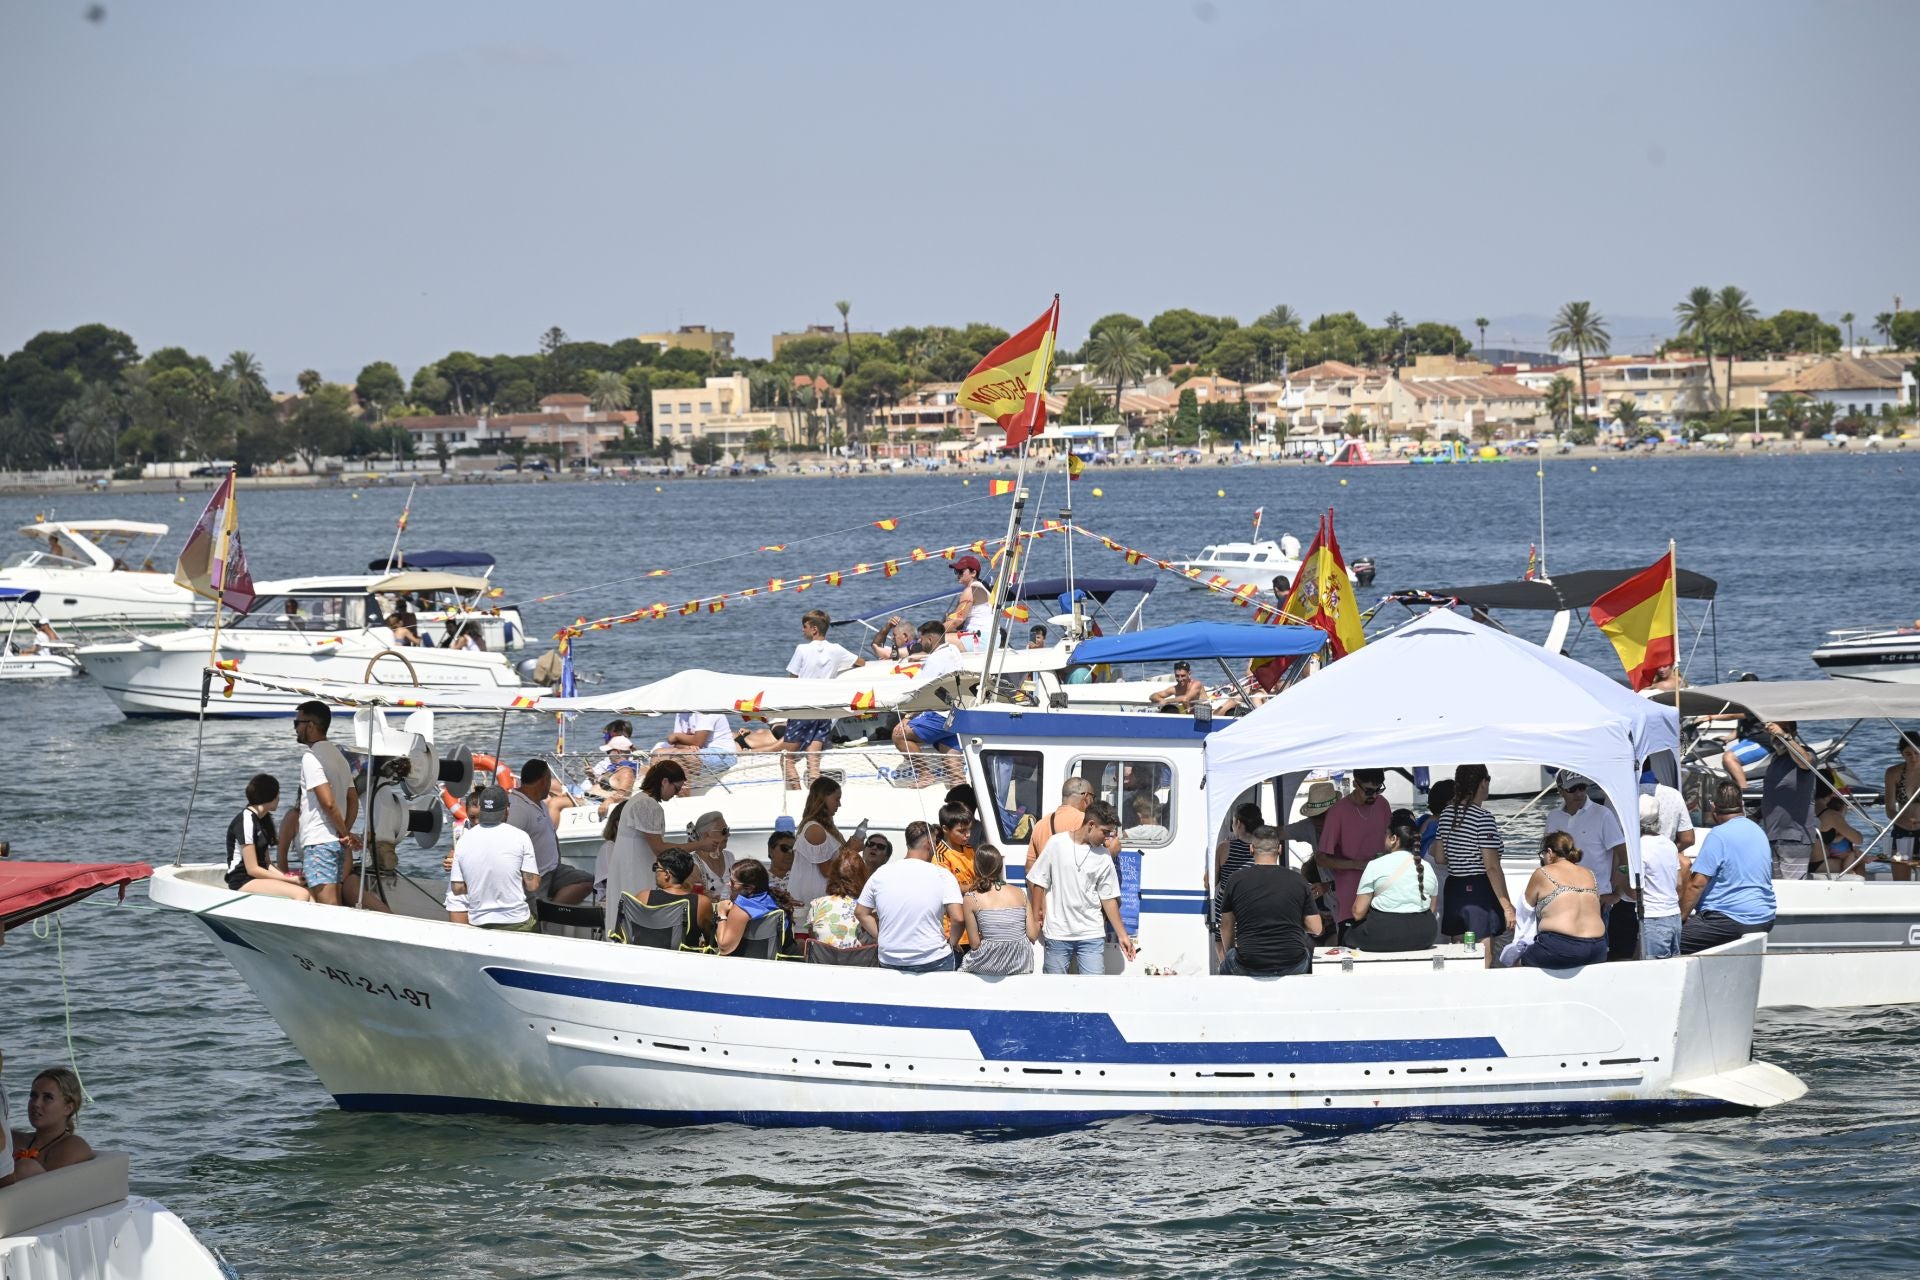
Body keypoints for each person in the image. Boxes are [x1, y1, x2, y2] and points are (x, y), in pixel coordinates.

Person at [1029, 800, 1135, 974]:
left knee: (1093, 990)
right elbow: (1039, 881)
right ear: (1091, 825)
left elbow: (1108, 899)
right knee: (1054, 990)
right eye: (1105, 832)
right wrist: (1036, 916)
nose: (1107, 838)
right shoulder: (1056, 843)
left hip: (1091, 934)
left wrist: (1122, 935)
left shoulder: (1103, 855)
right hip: (1058, 933)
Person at [1680, 781, 1778, 953]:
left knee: (1668, 942)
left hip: (1729, 919)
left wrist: (1681, 918)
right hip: (1764, 917)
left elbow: (1697, 884)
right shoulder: (1758, 831)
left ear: (1713, 806)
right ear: (1742, 805)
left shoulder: (1718, 835)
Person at [856, 821, 966, 972]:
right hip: (933, 959)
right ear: (929, 843)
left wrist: (880, 937)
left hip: (890, 959)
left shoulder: (881, 874)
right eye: (935, 842)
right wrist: (952, 944)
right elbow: (958, 919)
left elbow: (861, 912)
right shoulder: (942, 875)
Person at [1435, 764, 1515, 962]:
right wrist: (1507, 907)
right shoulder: (1483, 818)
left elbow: (1439, 857)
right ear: (1483, 783)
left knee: (1460, 954)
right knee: (1482, 953)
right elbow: (1492, 867)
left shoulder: (1446, 815)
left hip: (1454, 889)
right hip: (1478, 890)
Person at [1218, 826, 1321, 976]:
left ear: (1251, 849)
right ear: (1279, 849)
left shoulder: (1235, 880)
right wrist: (1290, 925)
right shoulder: (1298, 881)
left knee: (1227, 960)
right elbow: (1316, 928)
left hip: (1248, 964)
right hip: (1293, 964)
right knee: (1306, 954)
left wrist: (1231, 952)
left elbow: (1226, 925)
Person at [782, 608, 865, 789]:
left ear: (814, 629)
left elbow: (792, 681)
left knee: (787, 759)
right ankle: (814, 798)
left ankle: (796, 796)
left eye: (804, 627)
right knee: (814, 764)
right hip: (824, 710)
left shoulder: (802, 649)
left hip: (803, 709)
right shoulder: (836, 650)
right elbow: (861, 662)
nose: (802, 630)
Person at [603, 760, 687, 934]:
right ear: (664, 782)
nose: (676, 794)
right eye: (676, 789)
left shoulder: (637, 800)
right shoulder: (648, 804)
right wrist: (699, 845)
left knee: (623, 913)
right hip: (635, 868)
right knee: (637, 914)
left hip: (629, 865)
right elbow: (659, 848)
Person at [291, 700, 360, 907]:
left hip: (319, 842)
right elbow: (353, 800)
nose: (295, 728)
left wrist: (344, 833)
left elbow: (328, 802)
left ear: (310, 725)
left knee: (328, 908)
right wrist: (343, 832)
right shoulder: (339, 757)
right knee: (333, 904)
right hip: (335, 844)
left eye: (297, 723)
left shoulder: (311, 757)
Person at [444, 786, 540, 929]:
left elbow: (457, 888)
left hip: (480, 923)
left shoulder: (463, 840)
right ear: (507, 809)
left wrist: (481, 886)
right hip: (517, 922)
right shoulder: (521, 837)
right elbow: (532, 885)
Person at [1345, 817, 1438, 952]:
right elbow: (1432, 909)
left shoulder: (1375, 865)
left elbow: (1358, 912)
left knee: (1348, 935)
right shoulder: (1427, 867)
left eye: (1386, 834)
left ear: (1394, 838)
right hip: (1424, 935)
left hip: (1382, 933)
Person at [1543, 770, 1628, 920]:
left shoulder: (1603, 814)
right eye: (1572, 789)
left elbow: (1623, 854)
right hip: (1560, 897)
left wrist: (1617, 894)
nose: (1579, 794)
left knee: (1598, 943)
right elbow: (1547, 855)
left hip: (1596, 899)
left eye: (1582, 787)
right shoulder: (1553, 816)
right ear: (1560, 791)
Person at [891, 622, 967, 785]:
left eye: (922, 639)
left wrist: (907, 717)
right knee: (954, 768)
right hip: (959, 715)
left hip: (941, 716)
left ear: (931, 638)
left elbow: (918, 692)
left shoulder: (935, 659)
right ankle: (961, 797)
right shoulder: (953, 651)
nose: (920, 642)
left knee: (899, 734)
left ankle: (925, 774)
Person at [507, 760, 592, 905]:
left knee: (587, 881)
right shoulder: (518, 809)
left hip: (553, 869)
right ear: (544, 780)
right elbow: (508, 847)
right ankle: (545, 915)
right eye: (549, 780)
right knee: (535, 915)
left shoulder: (539, 802)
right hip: (535, 876)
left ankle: (551, 912)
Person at [1518, 831, 1608, 968]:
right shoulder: (1589, 873)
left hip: (1559, 948)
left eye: (1543, 854)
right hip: (1597, 948)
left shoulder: (1543, 872)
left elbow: (1525, 908)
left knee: (1518, 960)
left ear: (1549, 851)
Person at [1316, 768, 1390, 926]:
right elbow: (1321, 858)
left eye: (1379, 789)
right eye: (1369, 791)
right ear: (1355, 784)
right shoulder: (1338, 812)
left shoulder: (1382, 804)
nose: (1375, 796)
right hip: (1351, 893)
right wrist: (1356, 864)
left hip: (1382, 891)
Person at [225, 773, 310, 900]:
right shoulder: (246, 820)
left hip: (257, 878)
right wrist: (290, 880)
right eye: (278, 794)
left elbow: (266, 863)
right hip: (243, 879)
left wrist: (288, 878)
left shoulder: (262, 821)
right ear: (269, 796)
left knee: (310, 893)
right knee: (301, 894)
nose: (279, 798)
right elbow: (252, 869)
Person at [1757, 721, 1819, 879]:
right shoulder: (1774, 759)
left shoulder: (1806, 753)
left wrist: (1784, 736)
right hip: (1772, 836)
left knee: (1793, 891)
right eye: (1774, 731)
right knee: (1777, 890)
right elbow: (1772, 796)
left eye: (1783, 729)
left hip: (1795, 838)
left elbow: (1806, 762)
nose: (1776, 735)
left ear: (1794, 732)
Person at [961, 846, 1037, 975]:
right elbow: (1032, 935)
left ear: (976, 868)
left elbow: (974, 944)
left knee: (962, 968)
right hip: (1021, 962)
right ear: (1000, 867)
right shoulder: (1020, 893)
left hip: (989, 963)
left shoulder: (971, 898)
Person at [790, 777, 859, 909]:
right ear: (823, 798)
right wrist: (851, 851)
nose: (839, 804)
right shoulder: (815, 830)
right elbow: (827, 871)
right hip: (812, 906)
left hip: (821, 905)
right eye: (836, 799)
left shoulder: (823, 828)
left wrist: (848, 847)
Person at [9, 1067, 93, 1175]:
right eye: (33, 1096)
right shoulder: (13, 1138)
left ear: (68, 1108)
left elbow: (52, 1187)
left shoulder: (74, 1146)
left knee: (27, 1167)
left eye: (48, 1097)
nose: (36, 1104)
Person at [1637, 793, 1688, 959]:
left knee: (1655, 974)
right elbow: (1679, 884)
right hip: (1673, 916)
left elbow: (1634, 890)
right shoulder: (1669, 844)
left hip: (1653, 918)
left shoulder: (1638, 848)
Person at [637, 848, 716, 950]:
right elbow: (710, 939)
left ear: (667, 874)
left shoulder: (644, 897)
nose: (655, 871)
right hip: (683, 960)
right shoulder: (701, 903)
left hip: (646, 956)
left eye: (656, 867)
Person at [1026, 777, 1114, 868]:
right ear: (1087, 797)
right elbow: (1095, 862)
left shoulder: (1040, 824)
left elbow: (1030, 866)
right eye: (1093, 798)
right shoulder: (1088, 822)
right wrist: (1112, 851)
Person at [715, 859, 791, 956]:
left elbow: (724, 948)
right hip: (773, 961)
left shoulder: (743, 907)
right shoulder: (773, 897)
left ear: (749, 888)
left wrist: (721, 914)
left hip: (743, 964)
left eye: (733, 882)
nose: (728, 884)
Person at [806, 848, 871, 950]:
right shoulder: (867, 909)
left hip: (822, 963)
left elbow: (813, 939)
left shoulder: (817, 905)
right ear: (862, 876)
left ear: (832, 875)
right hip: (858, 963)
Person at [1213, 800, 1265, 920]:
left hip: (1225, 912)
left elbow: (1211, 882)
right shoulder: (1265, 849)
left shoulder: (1224, 847)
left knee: (1221, 939)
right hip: (1252, 912)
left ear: (1238, 823)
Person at [653, 707, 738, 778]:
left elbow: (697, 742)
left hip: (723, 754)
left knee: (679, 756)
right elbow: (675, 743)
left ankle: (684, 795)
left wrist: (677, 736)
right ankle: (658, 792)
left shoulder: (709, 708)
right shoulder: (682, 712)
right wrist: (687, 747)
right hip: (696, 751)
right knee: (657, 754)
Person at [1638, 760, 1697, 854]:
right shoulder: (1674, 795)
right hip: (1666, 863)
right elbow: (1688, 839)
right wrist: (1667, 854)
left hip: (1632, 864)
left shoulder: (1620, 797)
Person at [1885, 731, 1920, 882]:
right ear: (1901, 754)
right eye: (1908, 754)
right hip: (1901, 832)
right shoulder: (1893, 773)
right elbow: (1890, 810)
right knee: (1900, 883)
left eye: (1917, 753)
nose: (1913, 758)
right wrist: (1902, 822)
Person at [942, 553, 993, 652]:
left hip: (981, 639)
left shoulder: (970, 590)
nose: (957, 574)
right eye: (956, 571)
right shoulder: (982, 587)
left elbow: (957, 621)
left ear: (973, 573)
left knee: (932, 640)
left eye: (961, 571)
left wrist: (933, 631)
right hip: (989, 638)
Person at [686, 811, 738, 903]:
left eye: (728, 830)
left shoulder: (729, 856)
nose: (728, 835)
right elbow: (690, 899)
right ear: (706, 835)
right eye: (724, 831)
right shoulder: (693, 863)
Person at [1815, 794, 1865, 877]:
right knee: (1859, 861)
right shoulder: (1834, 818)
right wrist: (1844, 834)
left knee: (1856, 854)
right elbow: (1859, 840)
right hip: (1826, 861)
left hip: (1818, 858)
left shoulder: (1816, 813)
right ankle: (1855, 883)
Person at [592, 736, 639, 816]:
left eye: (608, 752)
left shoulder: (626, 771)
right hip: (593, 799)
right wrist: (592, 776)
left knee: (562, 800)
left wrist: (610, 800)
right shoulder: (616, 768)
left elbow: (624, 792)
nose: (608, 755)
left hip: (597, 802)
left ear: (617, 752)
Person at [765, 818, 799, 911]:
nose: (789, 853)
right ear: (770, 850)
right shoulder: (760, 880)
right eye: (785, 848)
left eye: (793, 850)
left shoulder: (802, 877)